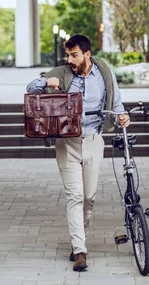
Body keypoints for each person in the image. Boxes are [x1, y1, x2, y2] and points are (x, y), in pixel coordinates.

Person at [26, 34, 130, 272]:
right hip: (67, 142)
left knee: (88, 197)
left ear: (87, 54)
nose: (70, 60)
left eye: (75, 55)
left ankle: (79, 238)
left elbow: (117, 103)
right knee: (74, 196)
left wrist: (122, 116)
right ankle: (80, 250)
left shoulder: (104, 72)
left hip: (94, 140)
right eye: (68, 55)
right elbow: (30, 87)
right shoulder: (63, 73)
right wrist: (46, 83)